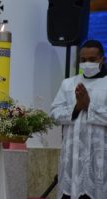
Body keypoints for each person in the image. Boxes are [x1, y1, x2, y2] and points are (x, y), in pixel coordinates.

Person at [50, 40, 107, 199]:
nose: (87, 63)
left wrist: (89, 105)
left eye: (92, 60)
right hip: (72, 160)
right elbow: (54, 113)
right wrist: (76, 108)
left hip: (99, 159)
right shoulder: (68, 84)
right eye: (83, 60)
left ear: (102, 59)